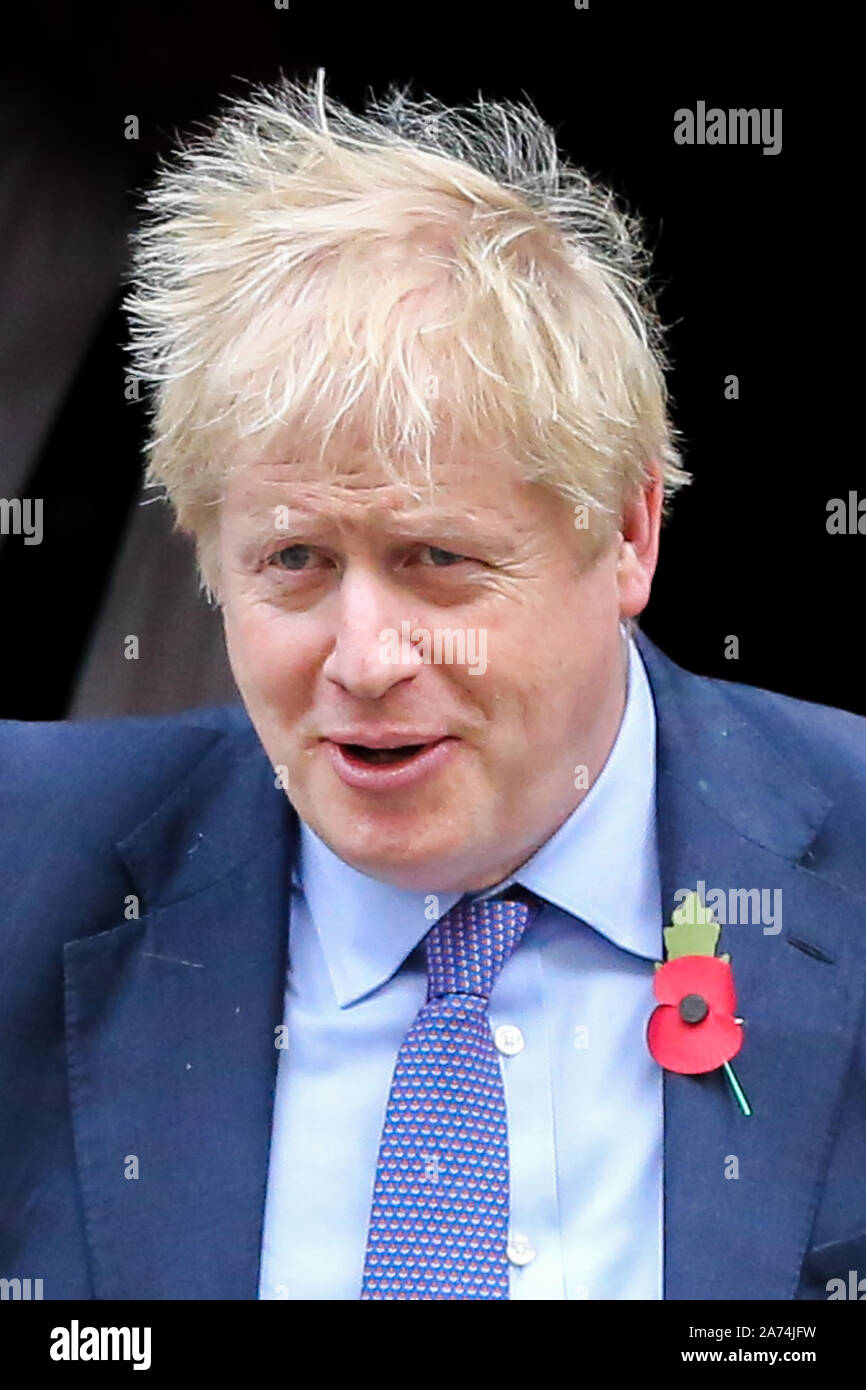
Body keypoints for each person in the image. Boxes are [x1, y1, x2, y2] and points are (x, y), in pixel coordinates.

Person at [2, 71, 864, 1302]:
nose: (362, 660)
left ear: (627, 534)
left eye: (437, 561)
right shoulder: (28, 867)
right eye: (294, 561)